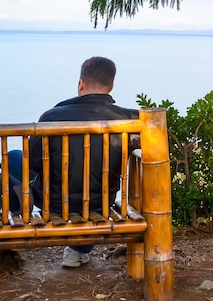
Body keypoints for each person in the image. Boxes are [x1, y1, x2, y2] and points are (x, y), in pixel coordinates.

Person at [10, 56, 139, 268]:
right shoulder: (131, 120)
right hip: (101, 205)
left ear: (81, 84)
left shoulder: (51, 117)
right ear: (111, 86)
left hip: (54, 204)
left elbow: (33, 164)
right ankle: (78, 251)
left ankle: (16, 215)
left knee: (14, 157)